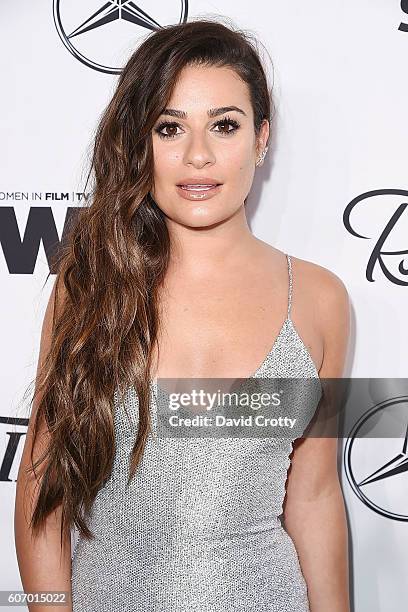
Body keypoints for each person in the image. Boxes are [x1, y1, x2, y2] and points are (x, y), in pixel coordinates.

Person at [14, 17, 351, 612]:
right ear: (140, 142)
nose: (198, 155)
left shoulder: (321, 300)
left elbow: (315, 495)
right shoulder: (91, 284)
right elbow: (44, 482)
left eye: (225, 125)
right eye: (170, 128)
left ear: (262, 138)